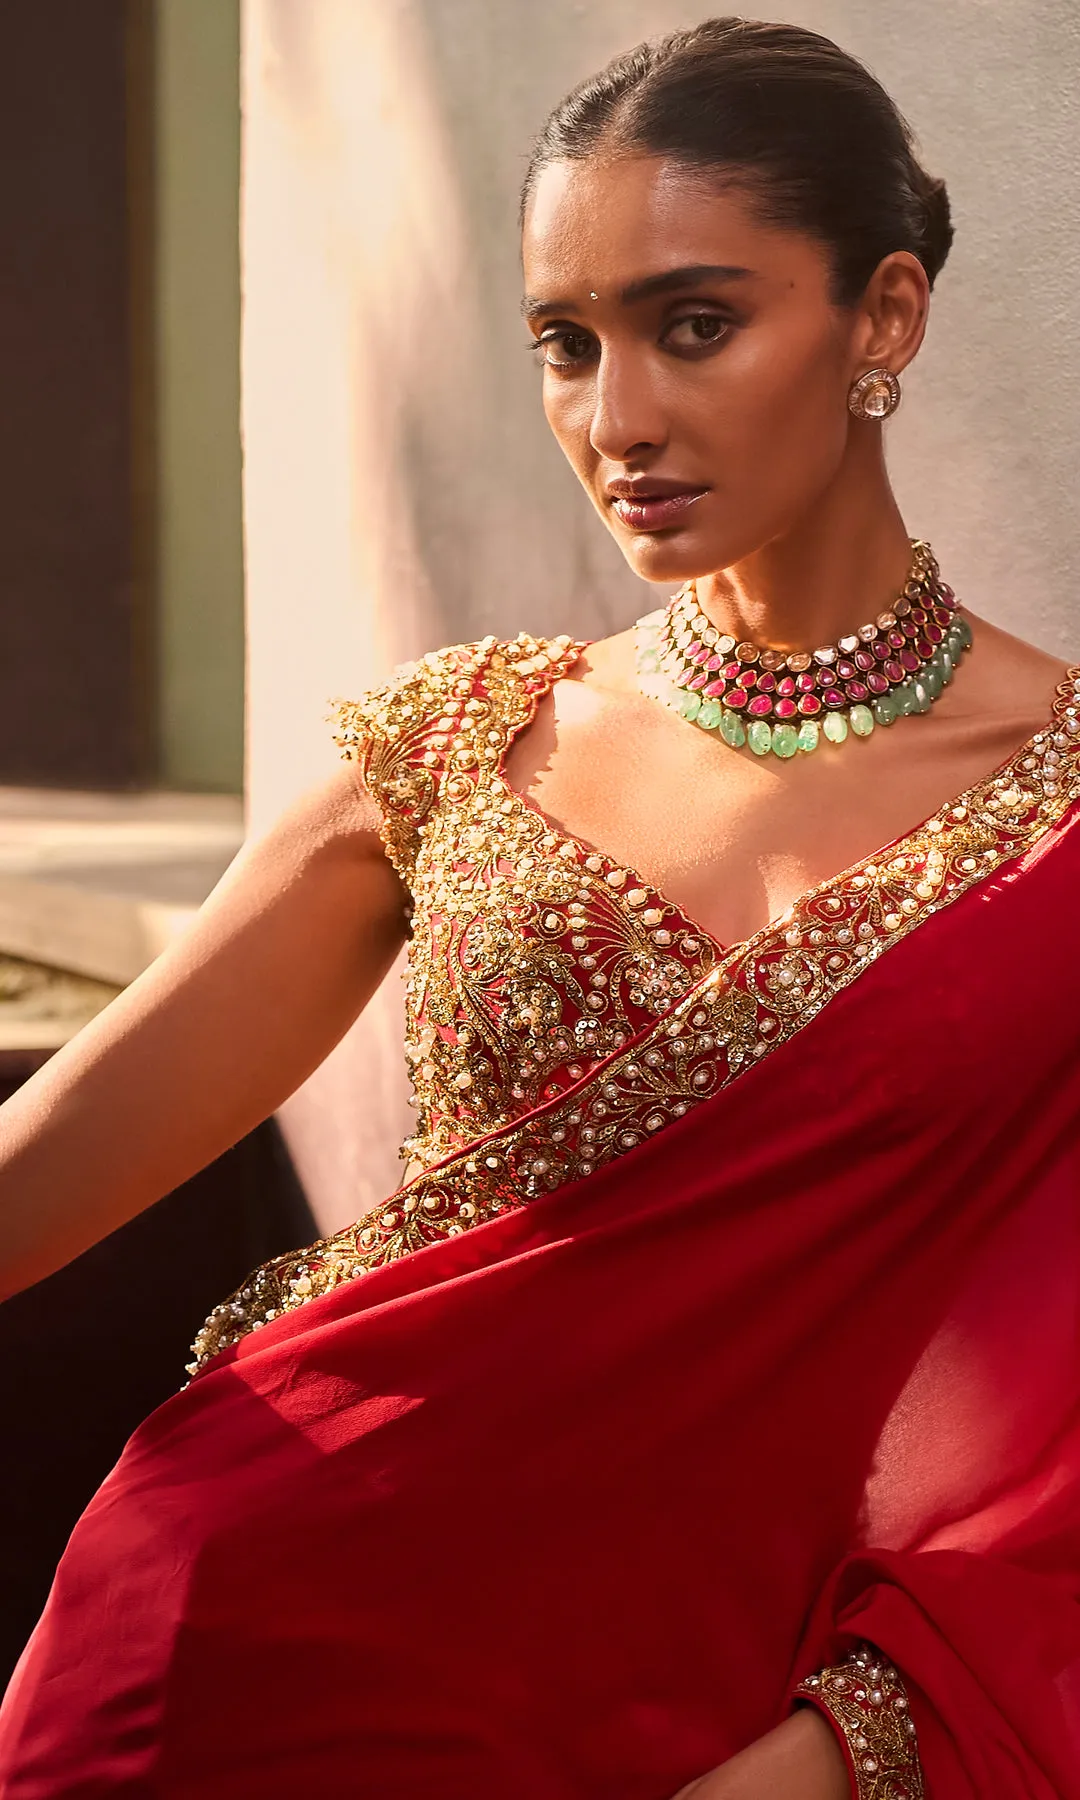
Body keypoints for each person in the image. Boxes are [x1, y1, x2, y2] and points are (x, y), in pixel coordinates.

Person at [1, 16, 1078, 1797]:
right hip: (229, 1665)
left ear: (884, 315)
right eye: (566, 345)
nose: (614, 419)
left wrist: (827, 1762)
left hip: (726, 1717)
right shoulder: (460, 750)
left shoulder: (1057, 820)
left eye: (695, 324)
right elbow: (35, 1185)